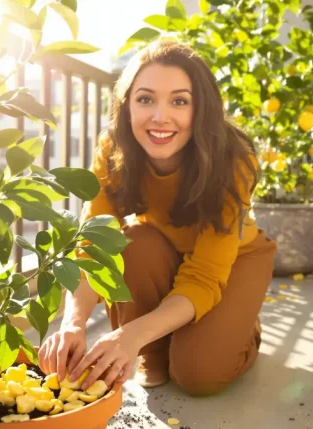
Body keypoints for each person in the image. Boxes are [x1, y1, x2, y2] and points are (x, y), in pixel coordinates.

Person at [38, 39, 277, 396]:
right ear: (127, 106)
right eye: (145, 99)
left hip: (233, 262)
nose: (160, 117)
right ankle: (155, 349)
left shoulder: (233, 159)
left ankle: (243, 327)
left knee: (198, 376)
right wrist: (73, 323)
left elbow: (205, 274)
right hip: (161, 251)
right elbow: (94, 248)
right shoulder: (113, 149)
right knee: (131, 240)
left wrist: (128, 334)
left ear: (202, 108)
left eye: (179, 101)